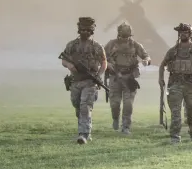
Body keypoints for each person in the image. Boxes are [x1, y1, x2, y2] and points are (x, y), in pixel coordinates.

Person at [159, 23, 192, 144]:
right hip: (175, 84)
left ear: (189, 34)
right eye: (181, 33)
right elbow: (162, 65)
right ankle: (175, 136)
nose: (183, 34)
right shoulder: (173, 51)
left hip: (191, 85)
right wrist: (160, 79)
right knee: (176, 112)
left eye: (185, 32)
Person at [59, 16, 107, 144]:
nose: (85, 32)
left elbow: (103, 62)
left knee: (85, 106)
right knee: (77, 105)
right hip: (75, 81)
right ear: (79, 30)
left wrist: (99, 75)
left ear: (92, 31)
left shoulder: (96, 46)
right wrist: (69, 65)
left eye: (88, 30)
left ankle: (84, 134)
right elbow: (63, 59)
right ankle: (83, 128)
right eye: (83, 29)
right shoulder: (72, 45)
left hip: (90, 81)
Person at [104, 21, 151, 135]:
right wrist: (107, 64)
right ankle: (115, 118)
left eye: (127, 36)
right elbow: (102, 56)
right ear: (119, 34)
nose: (125, 38)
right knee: (114, 103)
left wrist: (146, 61)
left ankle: (126, 127)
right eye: (123, 35)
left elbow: (146, 56)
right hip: (115, 77)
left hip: (129, 77)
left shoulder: (135, 45)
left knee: (128, 104)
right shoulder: (111, 44)